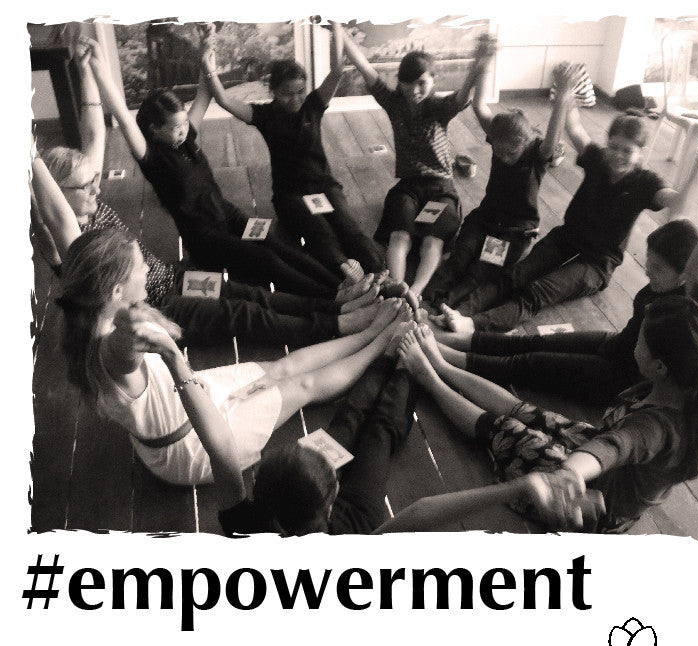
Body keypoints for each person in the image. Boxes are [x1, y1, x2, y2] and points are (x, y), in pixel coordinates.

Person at [56, 223, 413, 487]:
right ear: (116, 290)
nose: (148, 269)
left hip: (191, 397)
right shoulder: (113, 353)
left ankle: (367, 333)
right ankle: (380, 342)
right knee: (303, 385)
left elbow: (65, 231)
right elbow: (120, 353)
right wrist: (130, 330)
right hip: (191, 444)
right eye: (140, 267)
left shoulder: (89, 312)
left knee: (283, 367)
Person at [377, 303, 698, 533]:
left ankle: (429, 378)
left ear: (660, 366)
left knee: (509, 429)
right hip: (594, 462)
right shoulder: (679, 386)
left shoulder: (657, 429)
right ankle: (441, 365)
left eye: (641, 340)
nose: (634, 342)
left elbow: (615, 446)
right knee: (528, 411)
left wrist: (569, 474)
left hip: (588, 503)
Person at [32, 142, 383, 351]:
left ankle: (336, 307)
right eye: (85, 185)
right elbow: (54, 213)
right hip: (156, 308)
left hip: (173, 278)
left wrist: (90, 65)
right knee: (242, 315)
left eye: (95, 180)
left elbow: (94, 133)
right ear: (55, 194)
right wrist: (30, 156)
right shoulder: (67, 242)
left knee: (248, 294)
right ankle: (336, 327)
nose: (96, 189)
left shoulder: (92, 206)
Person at [81, 31, 341, 298]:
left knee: (274, 240)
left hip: (227, 214)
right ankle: (332, 298)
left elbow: (204, 93)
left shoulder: (185, 139)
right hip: (206, 237)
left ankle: (340, 283)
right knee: (267, 260)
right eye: (175, 127)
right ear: (154, 129)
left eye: (185, 122)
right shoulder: (152, 158)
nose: (184, 130)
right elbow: (123, 117)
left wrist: (206, 50)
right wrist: (98, 67)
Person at [435, 88, 688, 334]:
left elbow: (676, 202)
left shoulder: (646, 182)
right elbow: (575, 128)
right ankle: (457, 309)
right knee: (516, 275)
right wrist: (566, 96)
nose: (617, 155)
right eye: (613, 146)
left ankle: (472, 324)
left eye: (627, 151)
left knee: (538, 292)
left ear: (641, 153)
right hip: (566, 238)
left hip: (597, 262)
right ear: (607, 143)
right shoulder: (597, 158)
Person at [431, 220, 698, 405]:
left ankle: (444, 356)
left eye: (658, 268)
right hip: (617, 344)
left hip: (620, 378)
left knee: (529, 364)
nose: (648, 271)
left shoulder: (686, 309)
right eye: (648, 262)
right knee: (530, 342)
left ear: (685, 274)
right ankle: (446, 339)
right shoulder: (661, 284)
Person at [202, 24, 385, 280]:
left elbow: (337, 70)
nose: (296, 99)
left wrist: (335, 25)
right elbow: (223, 99)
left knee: (349, 227)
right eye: (287, 94)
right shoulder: (264, 115)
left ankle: (381, 273)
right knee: (320, 232)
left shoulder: (313, 106)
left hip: (324, 185)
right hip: (290, 194)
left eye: (300, 91)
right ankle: (346, 275)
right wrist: (206, 61)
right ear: (273, 91)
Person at [338, 24, 497, 301]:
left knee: (431, 242)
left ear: (434, 80)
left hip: (440, 189)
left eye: (422, 82)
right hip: (408, 188)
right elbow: (363, 66)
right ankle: (397, 288)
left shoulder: (439, 108)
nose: (414, 90)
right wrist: (336, 28)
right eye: (408, 82)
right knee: (400, 236)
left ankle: (416, 291)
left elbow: (463, 95)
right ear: (399, 82)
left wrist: (478, 63)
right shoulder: (394, 103)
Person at [218, 322, 418, 536]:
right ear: (330, 508)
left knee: (350, 423)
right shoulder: (352, 532)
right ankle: (406, 369)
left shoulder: (243, 526)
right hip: (355, 514)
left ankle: (389, 358)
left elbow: (217, 446)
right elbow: (218, 447)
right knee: (379, 432)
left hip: (312, 505)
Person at [425, 62, 580, 310]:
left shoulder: (537, 155)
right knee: (459, 258)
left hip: (514, 230)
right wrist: (484, 64)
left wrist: (562, 94)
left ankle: (449, 304)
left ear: (526, 143)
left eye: (510, 153)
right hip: (485, 219)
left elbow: (553, 134)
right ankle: (426, 295)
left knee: (481, 269)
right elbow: (479, 106)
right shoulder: (499, 136)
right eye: (498, 151)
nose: (504, 157)